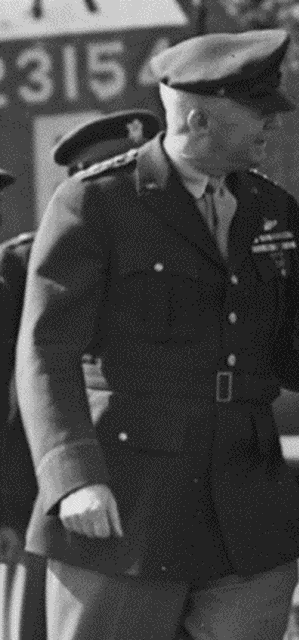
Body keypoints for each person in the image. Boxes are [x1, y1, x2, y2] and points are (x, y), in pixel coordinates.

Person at [15, 30, 299, 640]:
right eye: (259, 113)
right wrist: (72, 476)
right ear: (200, 118)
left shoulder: (272, 209)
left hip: (247, 505)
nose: (273, 126)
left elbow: (286, 353)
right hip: (129, 505)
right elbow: (45, 349)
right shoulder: (95, 203)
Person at [0, 109, 162, 640]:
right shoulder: (24, 266)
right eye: (107, 171)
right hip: (50, 499)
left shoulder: (190, 247)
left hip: (165, 491)